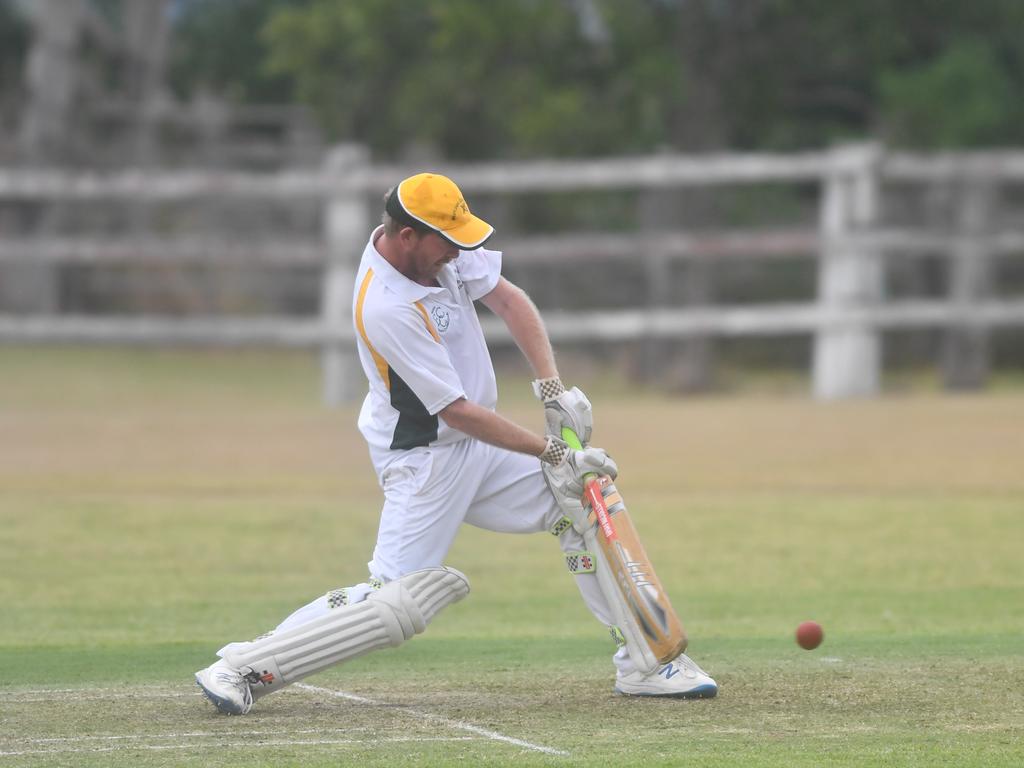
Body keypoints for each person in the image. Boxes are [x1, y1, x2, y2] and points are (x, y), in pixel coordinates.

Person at [194, 173, 717, 715]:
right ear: (407, 238)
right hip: (425, 460)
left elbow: (511, 302)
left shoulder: (439, 250)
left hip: (475, 444)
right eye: (448, 243)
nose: (458, 254)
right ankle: (240, 666)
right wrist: (552, 451)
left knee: (585, 499)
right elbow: (457, 413)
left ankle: (648, 663)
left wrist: (552, 390)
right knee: (392, 602)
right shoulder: (386, 305)